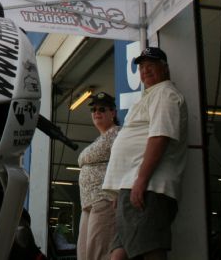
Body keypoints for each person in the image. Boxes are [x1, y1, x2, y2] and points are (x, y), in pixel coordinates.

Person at [101, 46, 187, 260]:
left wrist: (140, 180)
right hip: (132, 186)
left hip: (149, 187)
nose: (145, 70)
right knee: (118, 255)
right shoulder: (151, 95)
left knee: (149, 251)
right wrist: (121, 189)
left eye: (151, 65)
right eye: (141, 67)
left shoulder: (165, 94)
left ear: (165, 68)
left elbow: (160, 137)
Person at [77, 92, 120, 260]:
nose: (97, 113)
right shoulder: (99, 139)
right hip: (88, 202)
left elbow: (125, 163)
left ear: (113, 113)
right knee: (83, 253)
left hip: (104, 199)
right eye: (94, 110)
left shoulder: (118, 134)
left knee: (98, 252)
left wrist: (117, 192)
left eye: (102, 109)